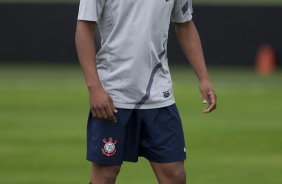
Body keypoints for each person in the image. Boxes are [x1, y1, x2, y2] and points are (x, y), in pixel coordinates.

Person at [75, 0, 217, 183]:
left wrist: (204, 78)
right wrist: (94, 88)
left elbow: (185, 25)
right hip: (113, 93)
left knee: (175, 175)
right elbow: (84, 27)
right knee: (105, 175)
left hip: (159, 93)